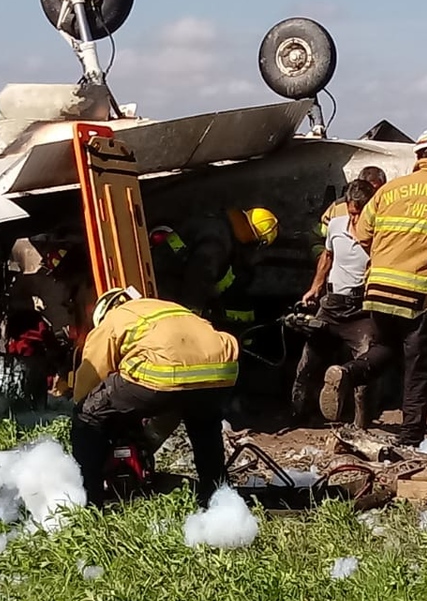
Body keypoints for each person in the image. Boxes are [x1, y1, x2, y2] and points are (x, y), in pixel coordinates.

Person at [319, 127, 427, 445]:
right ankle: (411, 436)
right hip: (420, 296)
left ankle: (349, 372)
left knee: (385, 348)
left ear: (419, 156)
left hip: (378, 289)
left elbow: (362, 234)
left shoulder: (387, 190)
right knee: (418, 364)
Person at [70, 287, 238, 509]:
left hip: (165, 372)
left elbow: (92, 373)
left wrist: (79, 411)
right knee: (204, 426)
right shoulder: (167, 308)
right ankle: (217, 499)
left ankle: (88, 500)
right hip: (220, 371)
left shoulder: (114, 318)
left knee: (89, 413)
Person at [291, 177, 379, 425]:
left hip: (362, 308)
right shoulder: (336, 226)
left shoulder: (381, 234)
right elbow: (327, 257)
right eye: (352, 213)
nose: (355, 220)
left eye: (360, 214)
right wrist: (315, 288)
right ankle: (299, 415)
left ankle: (361, 423)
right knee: (307, 363)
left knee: (366, 363)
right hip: (332, 304)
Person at [148, 206, 279, 327]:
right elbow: (200, 274)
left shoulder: (217, 223)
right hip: (161, 282)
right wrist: (192, 314)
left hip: (158, 269)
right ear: (255, 239)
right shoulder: (220, 241)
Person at [311, 165, 387, 260]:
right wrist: (322, 257)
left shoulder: (388, 210)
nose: (371, 195)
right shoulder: (338, 208)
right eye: (365, 189)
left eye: (376, 190)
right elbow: (317, 236)